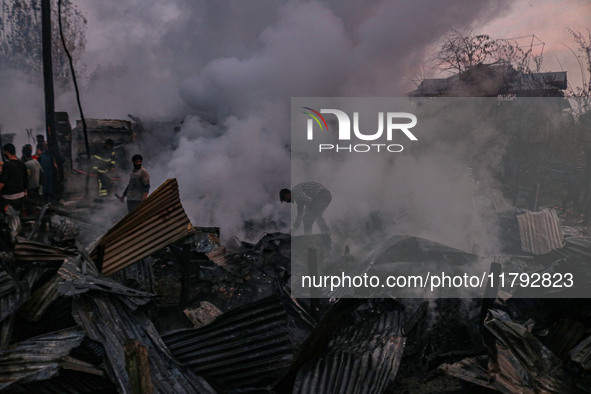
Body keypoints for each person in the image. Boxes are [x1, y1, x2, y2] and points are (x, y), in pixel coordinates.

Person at [0, 143, 28, 214]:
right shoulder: (22, 164)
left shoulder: (7, 165)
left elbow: (3, 181)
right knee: (18, 216)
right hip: (20, 196)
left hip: (9, 198)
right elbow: (25, 181)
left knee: (9, 217)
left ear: (7, 152)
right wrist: (25, 192)